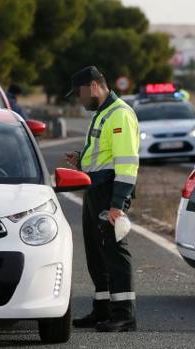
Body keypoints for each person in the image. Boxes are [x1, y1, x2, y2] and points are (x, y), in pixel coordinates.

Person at [64, 66, 140, 332]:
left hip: (110, 193)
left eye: (81, 93)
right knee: (97, 254)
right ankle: (103, 310)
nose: (79, 99)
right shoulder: (103, 113)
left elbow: (127, 163)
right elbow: (102, 152)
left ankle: (124, 315)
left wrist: (117, 205)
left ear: (94, 86)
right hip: (95, 190)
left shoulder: (120, 115)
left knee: (115, 252)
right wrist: (80, 158)